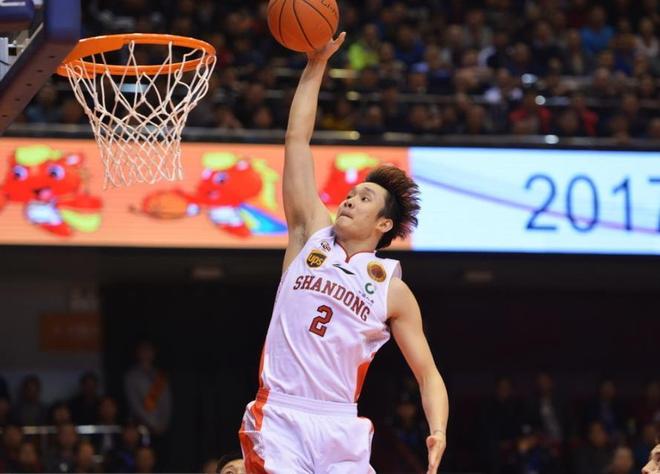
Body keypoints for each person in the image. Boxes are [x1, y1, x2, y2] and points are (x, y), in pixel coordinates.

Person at [238, 33, 449, 474]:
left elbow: (428, 373)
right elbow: (297, 140)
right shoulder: (309, 235)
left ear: (384, 224)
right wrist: (315, 66)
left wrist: (438, 430)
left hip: (340, 424)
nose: (350, 199)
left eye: (364, 198)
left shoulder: (391, 288)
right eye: (351, 193)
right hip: (281, 414)